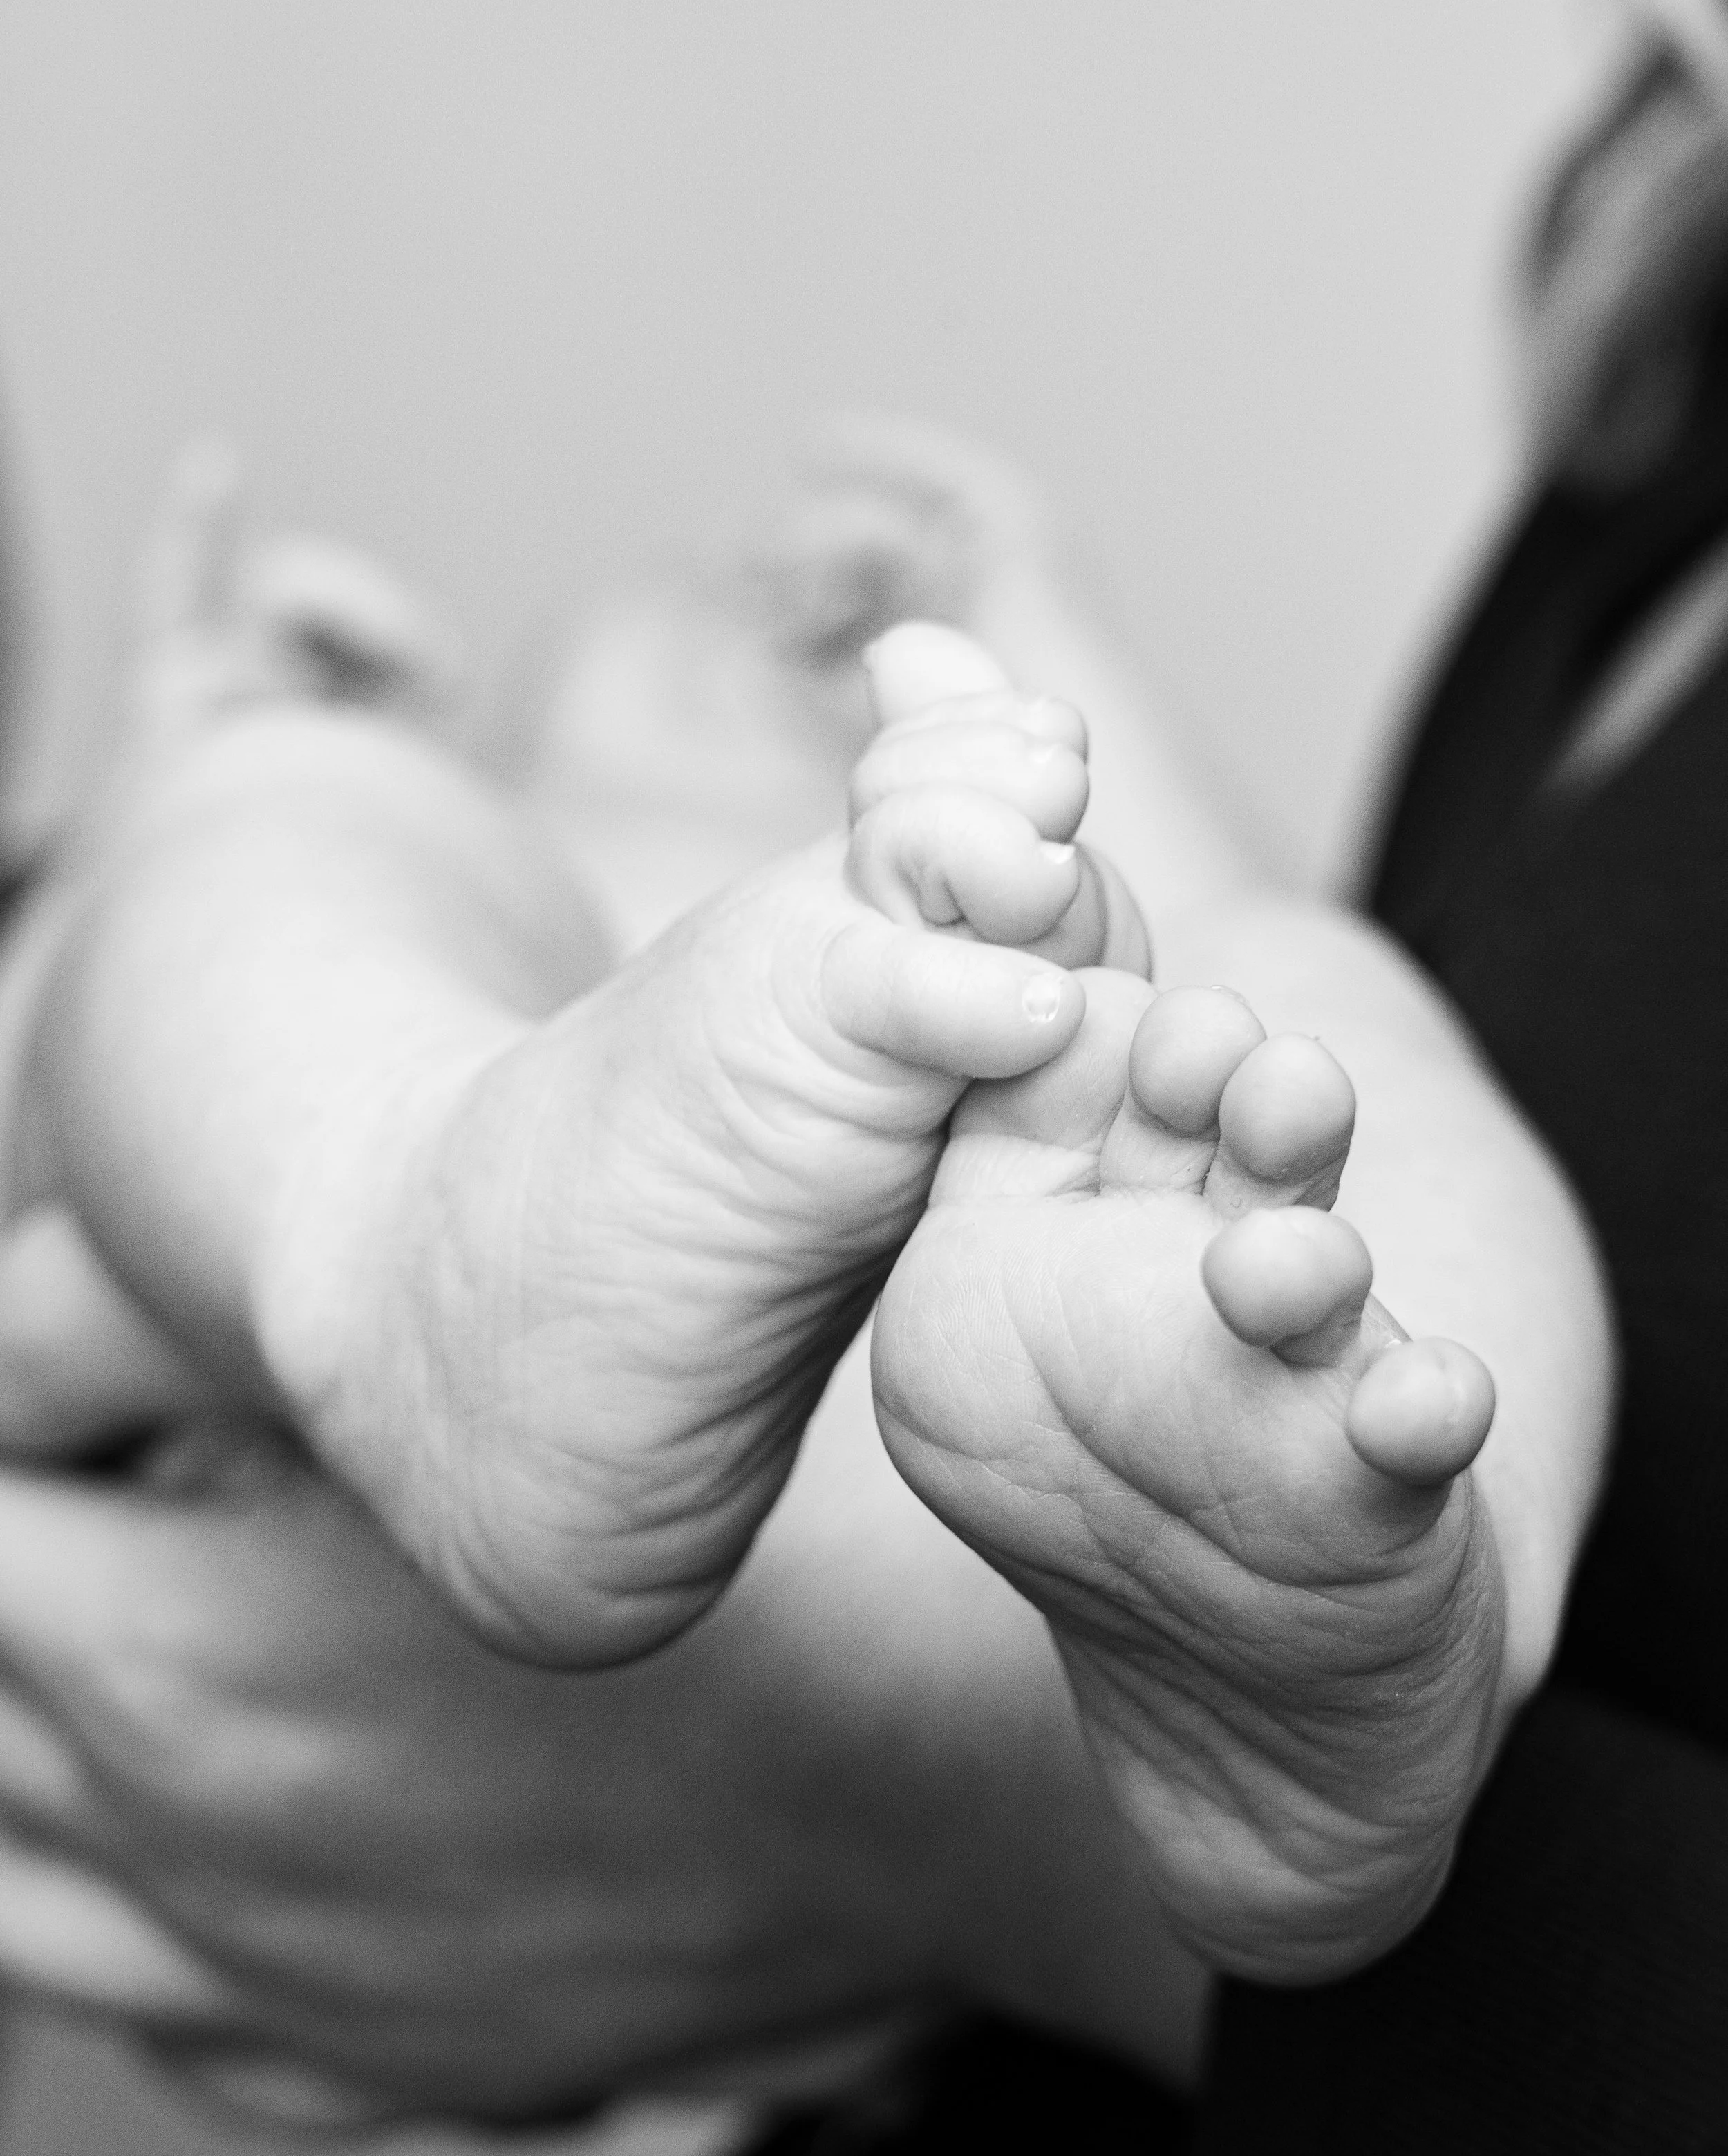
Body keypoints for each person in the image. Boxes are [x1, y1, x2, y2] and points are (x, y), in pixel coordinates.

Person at [0, 433, 1533, 1991]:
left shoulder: (1022, 914)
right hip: (469, 1256)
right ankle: (429, 1262)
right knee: (266, 831)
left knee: (1314, 1004)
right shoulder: (475, 865)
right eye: (714, 603)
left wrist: (1059, 657)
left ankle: (1418, 1633)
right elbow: (105, 1028)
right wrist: (210, 730)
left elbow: (1227, 964)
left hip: (1017, 1411)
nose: (795, 634)